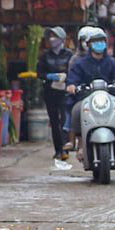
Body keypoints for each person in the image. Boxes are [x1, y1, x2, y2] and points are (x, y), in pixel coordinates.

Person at [66, 30, 115, 145]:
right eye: (95, 42)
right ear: (89, 44)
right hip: (86, 97)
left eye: (102, 41)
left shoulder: (113, 62)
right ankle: (80, 144)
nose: (99, 44)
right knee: (76, 111)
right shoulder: (80, 64)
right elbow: (73, 78)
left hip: (111, 95)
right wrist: (72, 85)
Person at [40, 26, 73, 161]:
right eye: (50, 37)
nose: (52, 39)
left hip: (65, 91)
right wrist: (49, 76)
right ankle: (58, 149)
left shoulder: (69, 55)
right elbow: (39, 73)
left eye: (55, 36)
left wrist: (66, 77)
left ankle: (65, 147)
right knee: (54, 121)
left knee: (64, 120)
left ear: (62, 39)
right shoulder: (45, 56)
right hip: (50, 91)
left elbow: (74, 71)